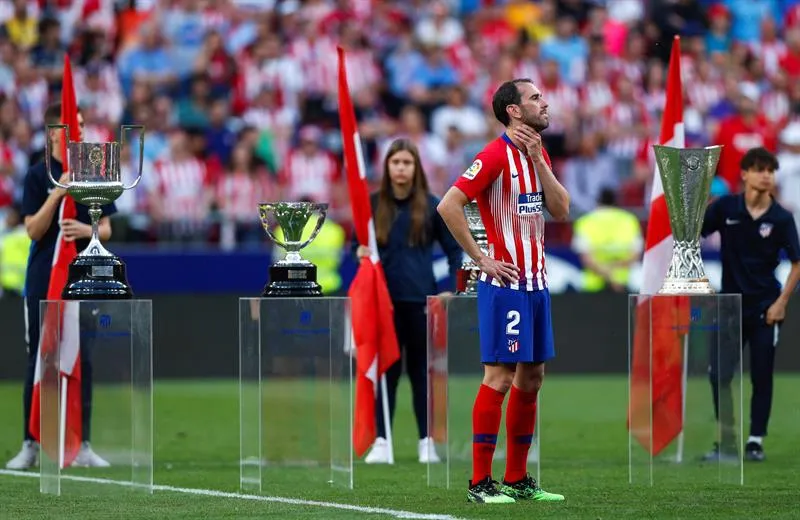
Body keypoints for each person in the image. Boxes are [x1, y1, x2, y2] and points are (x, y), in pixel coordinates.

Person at [437, 79, 568, 504]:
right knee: (500, 376)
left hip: (537, 283)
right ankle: (479, 483)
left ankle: (517, 479)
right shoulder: (493, 155)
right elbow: (448, 204)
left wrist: (539, 161)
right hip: (506, 285)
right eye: (534, 98)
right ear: (513, 110)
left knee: (533, 377)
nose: (544, 103)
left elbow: (562, 209)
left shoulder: (536, 153)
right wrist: (481, 258)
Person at [6, 103, 116, 470]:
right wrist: (58, 193)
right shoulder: (38, 176)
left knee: (82, 357)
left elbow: (108, 229)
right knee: (40, 357)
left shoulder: (94, 169)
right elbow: (33, 230)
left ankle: (81, 443)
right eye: (72, 124)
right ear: (53, 130)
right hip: (43, 276)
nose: (79, 131)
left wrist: (85, 231)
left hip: (82, 274)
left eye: (83, 124)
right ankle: (31, 443)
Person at [358, 138, 463, 464]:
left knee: (421, 374)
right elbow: (359, 249)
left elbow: (455, 250)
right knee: (385, 373)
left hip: (420, 301)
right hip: (383, 303)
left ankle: (426, 442)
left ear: (416, 167)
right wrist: (359, 252)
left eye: (407, 162)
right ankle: (381, 442)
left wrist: (453, 290)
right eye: (395, 162)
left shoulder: (432, 205)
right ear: (386, 167)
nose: (401, 168)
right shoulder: (372, 206)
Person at [701, 147, 800, 463]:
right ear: (744, 173)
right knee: (719, 374)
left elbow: (797, 262)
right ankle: (726, 438)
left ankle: (755, 440)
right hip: (729, 306)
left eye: (770, 170)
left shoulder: (782, 218)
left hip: (765, 308)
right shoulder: (727, 208)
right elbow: (693, 234)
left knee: (762, 373)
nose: (766, 175)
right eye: (759, 169)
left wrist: (782, 302)